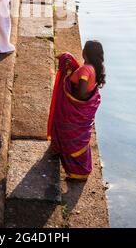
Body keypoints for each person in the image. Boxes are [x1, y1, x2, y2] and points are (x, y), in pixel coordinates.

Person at [47, 41, 106, 180]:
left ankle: (78, 172)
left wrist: (66, 82)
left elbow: (81, 93)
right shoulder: (97, 68)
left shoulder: (86, 70)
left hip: (75, 109)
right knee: (77, 138)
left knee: (69, 134)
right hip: (83, 110)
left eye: (84, 49)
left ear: (85, 53)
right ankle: (60, 150)